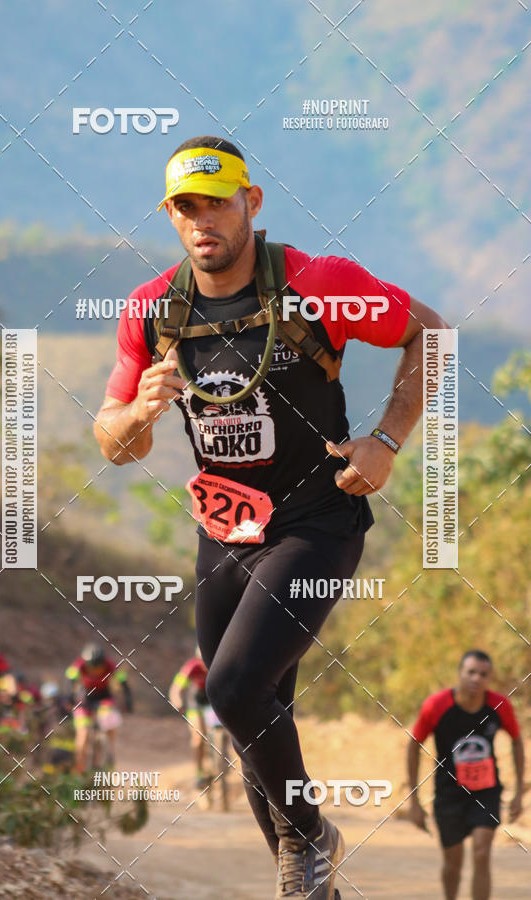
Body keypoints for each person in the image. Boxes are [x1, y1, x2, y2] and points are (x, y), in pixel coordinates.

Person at [94, 135, 446, 899]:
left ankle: (313, 835)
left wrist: (386, 440)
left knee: (232, 690)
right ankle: (309, 881)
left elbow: (432, 333)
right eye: (185, 208)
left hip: (316, 521)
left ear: (251, 202)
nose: (201, 222)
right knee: (257, 716)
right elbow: (112, 437)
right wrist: (137, 420)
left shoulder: (321, 284)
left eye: (216, 202)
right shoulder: (151, 309)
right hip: (224, 530)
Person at [407, 650, 525, 900]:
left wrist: (517, 795)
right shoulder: (436, 706)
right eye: (471, 672)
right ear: (460, 673)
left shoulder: (499, 705)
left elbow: (517, 740)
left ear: (489, 678)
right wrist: (414, 801)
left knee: (482, 854)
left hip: (486, 791)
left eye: (483, 674)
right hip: (449, 794)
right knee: (454, 863)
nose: (476, 678)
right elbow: (414, 744)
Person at [66, 642, 132, 773]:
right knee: (83, 734)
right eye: (91, 665)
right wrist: (70, 697)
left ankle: (110, 750)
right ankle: (79, 768)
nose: (95, 669)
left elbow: (123, 682)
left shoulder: (110, 664)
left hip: (104, 697)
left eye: (98, 665)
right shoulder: (79, 664)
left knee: (110, 719)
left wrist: (129, 701)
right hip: (85, 698)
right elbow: (69, 680)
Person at [169, 647, 211, 787]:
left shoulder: (217, 664)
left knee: (222, 731)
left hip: (212, 702)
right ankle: (199, 772)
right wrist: (178, 701)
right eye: (203, 661)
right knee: (198, 736)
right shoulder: (191, 666)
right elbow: (176, 688)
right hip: (196, 702)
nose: (205, 664)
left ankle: (221, 758)